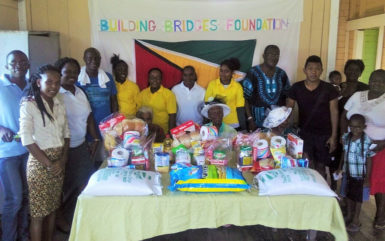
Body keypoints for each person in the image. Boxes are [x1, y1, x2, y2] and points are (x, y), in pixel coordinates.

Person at [19, 65, 70, 241]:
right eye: (49, 82)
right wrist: (50, 164)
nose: (53, 86)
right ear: (39, 82)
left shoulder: (59, 102)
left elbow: (67, 135)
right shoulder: (29, 104)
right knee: (38, 214)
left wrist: (62, 161)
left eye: (57, 83)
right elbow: (26, 140)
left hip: (58, 163)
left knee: (53, 209)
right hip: (40, 165)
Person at [54, 57, 100, 232]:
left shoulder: (79, 92)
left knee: (84, 183)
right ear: (60, 73)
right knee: (61, 186)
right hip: (60, 148)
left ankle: (80, 217)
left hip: (80, 145)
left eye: (75, 72)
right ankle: (61, 220)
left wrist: (95, 138)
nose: (73, 75)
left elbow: (88, 117)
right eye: (68, 72)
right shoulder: (55, 93)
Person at [341, 69, 385, 229]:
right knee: (353, 180)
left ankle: (380, 213)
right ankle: (350, 213)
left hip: (379, 147)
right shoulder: (358, 95)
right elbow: (343, 115)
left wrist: (383, 143)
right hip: (353, 147)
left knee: (379, 181)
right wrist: (342, 137)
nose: (376, 83)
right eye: (374, 79)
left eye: (381, 81)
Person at [287, 55, 339, 177]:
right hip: (305, 133)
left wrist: (334, 136)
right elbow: (288, 109)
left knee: (321, 167)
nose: (313, 72)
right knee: (307, 164)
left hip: (324, 134)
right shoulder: (296, 87)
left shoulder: (329, 89)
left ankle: (322, 192)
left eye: (317, 68)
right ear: (304, 70)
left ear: (322, 70)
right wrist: (283, 127)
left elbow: (334, 112)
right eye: (310, 68)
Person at [0, 50, 30, 241]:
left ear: (28, 64)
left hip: (30, 151)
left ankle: (24, 236)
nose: (18, 64)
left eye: (22, 61)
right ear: (6, 66)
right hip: (8, 153)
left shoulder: (32, 86)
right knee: (14, 199)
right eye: (13, 62)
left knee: (27, 198)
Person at [77, 47, 118, 167]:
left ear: (100, 60)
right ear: (84, 59)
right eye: (90, 58)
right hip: (86, 127)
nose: (93, 61)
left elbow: (113, 100)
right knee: (89, 161)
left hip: (106, 127)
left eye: (96, 58)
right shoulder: (78, 79)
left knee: (106, 159)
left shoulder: (108, 78)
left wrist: (114, 122)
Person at [337, 114, 374, 232]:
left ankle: (356, 220)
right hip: (348, 173)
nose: (354, 130)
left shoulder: (367, 141)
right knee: (348, 195)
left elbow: (369, 159)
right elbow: (344, 153)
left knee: (358, 199)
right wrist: (340, 167)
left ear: (364, 127)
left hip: (359, 176)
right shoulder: (346, 137)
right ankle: (348, 215)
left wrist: (367, 178)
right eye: (352, 127)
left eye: (358, 127)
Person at [243, 45, 290, 130]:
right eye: (270, 54)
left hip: (277, 123)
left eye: (277, 55)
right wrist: (250, 119)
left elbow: (288, 97)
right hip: (256, 121)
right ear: (264, 56)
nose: (274, 57)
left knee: (276, 142)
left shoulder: (282, 74)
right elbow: (245, 98)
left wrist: (285, 117)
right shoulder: (253, 72)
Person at [205, 58, 246, 130]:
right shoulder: (212, 84)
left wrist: (244, 128)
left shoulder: (237, 87)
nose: (223, 74)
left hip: (233, 124)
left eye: (226, 71)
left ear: (232, 73)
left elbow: (240, 108)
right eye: (221, 71)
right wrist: (207, 124)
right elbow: (208, 106)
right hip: (216, 124)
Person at [137, 68, 177, 133]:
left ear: (161, 80)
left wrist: (170, 134)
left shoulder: (169, 94)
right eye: (152, 78)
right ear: (149, 79)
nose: (155, 80)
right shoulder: (142, 94)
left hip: (163, 132)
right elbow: (138, 114)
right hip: (146, 132)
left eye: (157, 78)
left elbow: (172, 116)